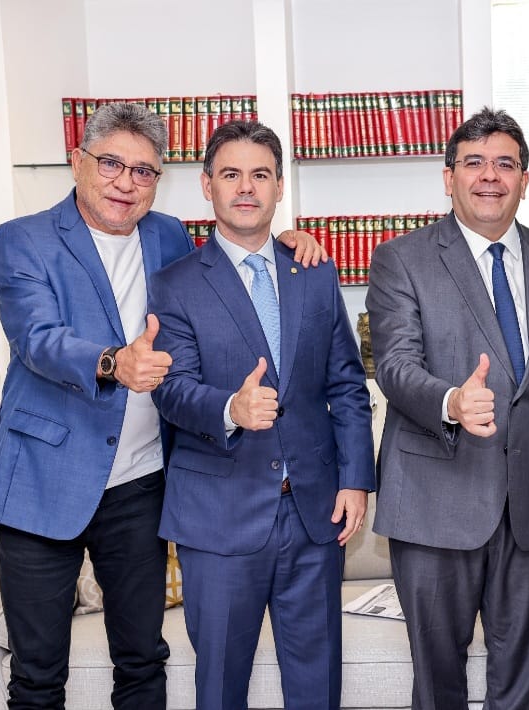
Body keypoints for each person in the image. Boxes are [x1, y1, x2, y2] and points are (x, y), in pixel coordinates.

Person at [0, 102, 325, 709]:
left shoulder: (167, 235)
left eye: (144, 171)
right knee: (36, 676)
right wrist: (114, 362)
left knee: (142, 662)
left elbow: (223, 269)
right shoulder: (23, 239)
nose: (126, 182)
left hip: (140, 484)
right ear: (77, 162)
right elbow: (36, 339)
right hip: (43, 480)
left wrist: (285, 245)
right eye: (111, 164)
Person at [149, 120, 374, 710]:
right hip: (218, 519)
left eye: (260, 175)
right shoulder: (175, 285)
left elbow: (347, 383)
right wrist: (229, 407)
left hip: (315, 514)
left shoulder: (315, 271)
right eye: (231, 175)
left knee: (317, 686)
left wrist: (355, 478)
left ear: (278, 187)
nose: (246, 187)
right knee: (221, 688)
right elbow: (169, 390)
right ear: (207, 186)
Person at [365, 107, 529, 710]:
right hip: (435, 499)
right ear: (449, 177)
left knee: (525, 687)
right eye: (474, 163)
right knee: (439, 685)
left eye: (505, 164)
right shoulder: (400, 259)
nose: (490, 176)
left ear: (524, 180)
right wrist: (452, 401)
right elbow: (395, 365)